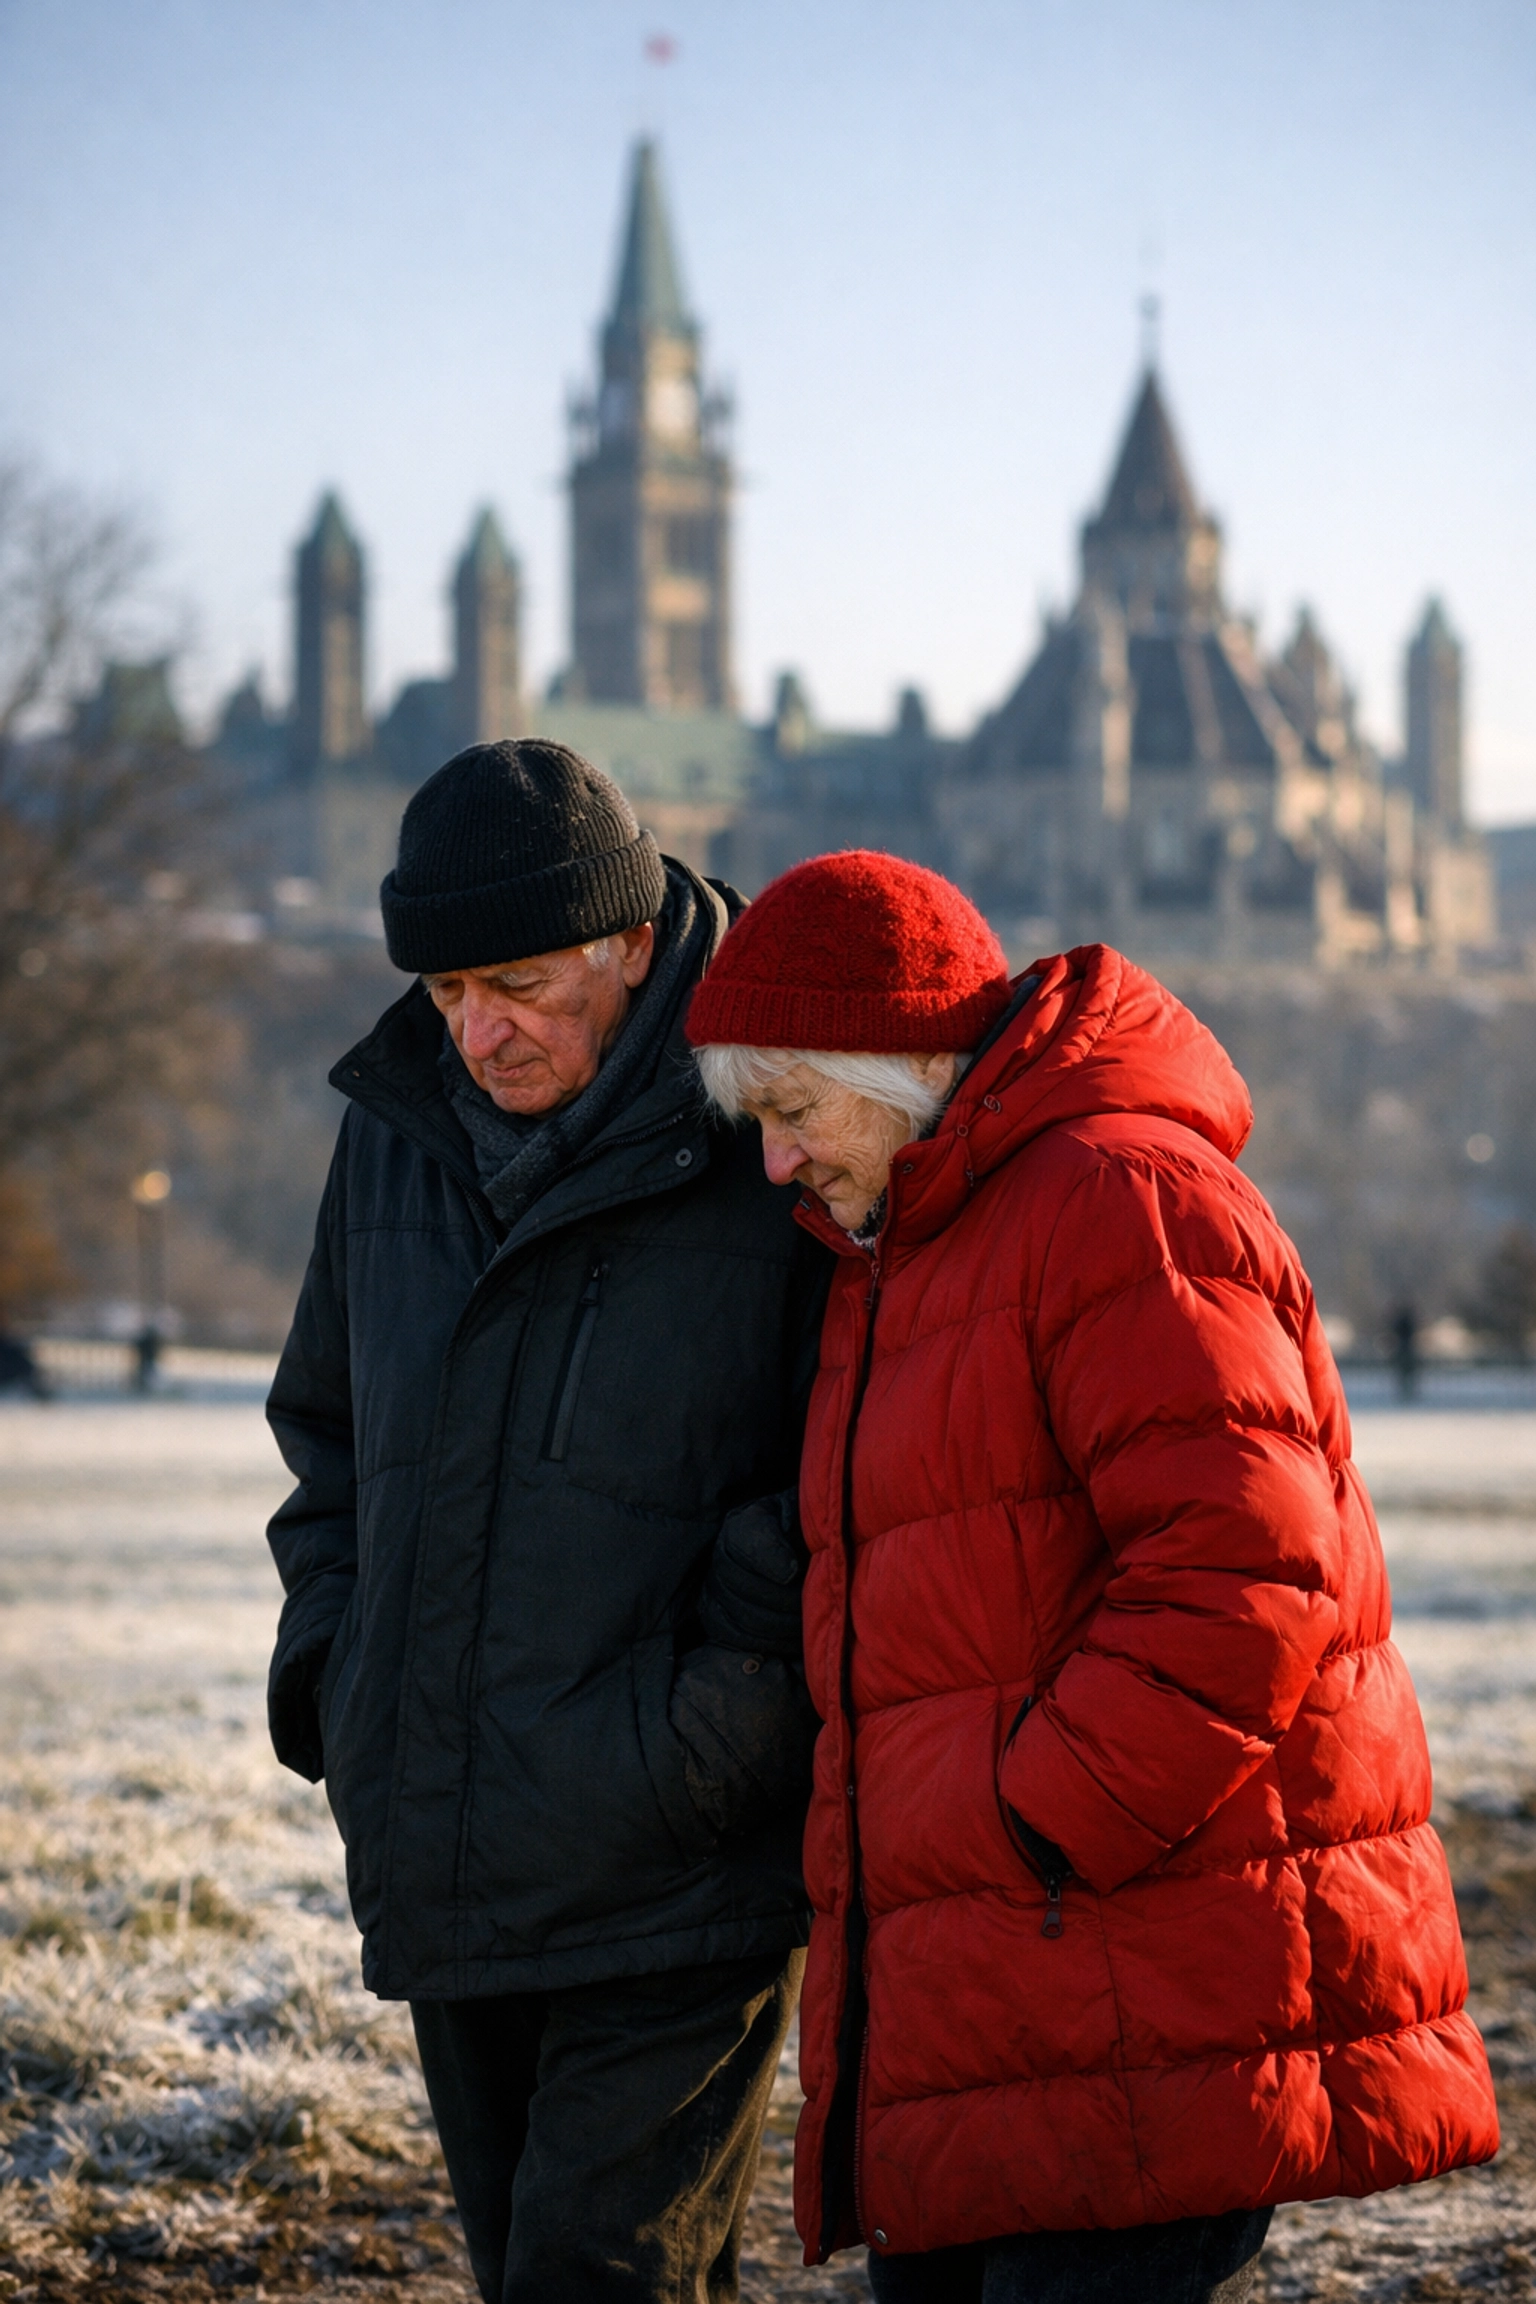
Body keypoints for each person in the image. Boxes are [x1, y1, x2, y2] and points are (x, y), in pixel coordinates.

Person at [686, 850, 1499, 2304]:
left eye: (795, 1110)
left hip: (1125, 1964)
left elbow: (1247, 1563)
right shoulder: (918, 1242)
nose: (779, 1160)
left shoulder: (1118, 1199)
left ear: (899, 1067)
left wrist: (1045, 1818)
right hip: (1005, 1993)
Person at [263, 740, 831, 2304]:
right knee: (536, 2270)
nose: (475, 1033)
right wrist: (341, 1675)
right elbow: (326, 1434)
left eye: (514, 986)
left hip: (681, 1872)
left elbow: (840, 1471)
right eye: (447, 995)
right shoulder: (394, 1120)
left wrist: (709, 1736)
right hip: (449, 1840)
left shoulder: (767, 1123)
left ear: (630, 945)